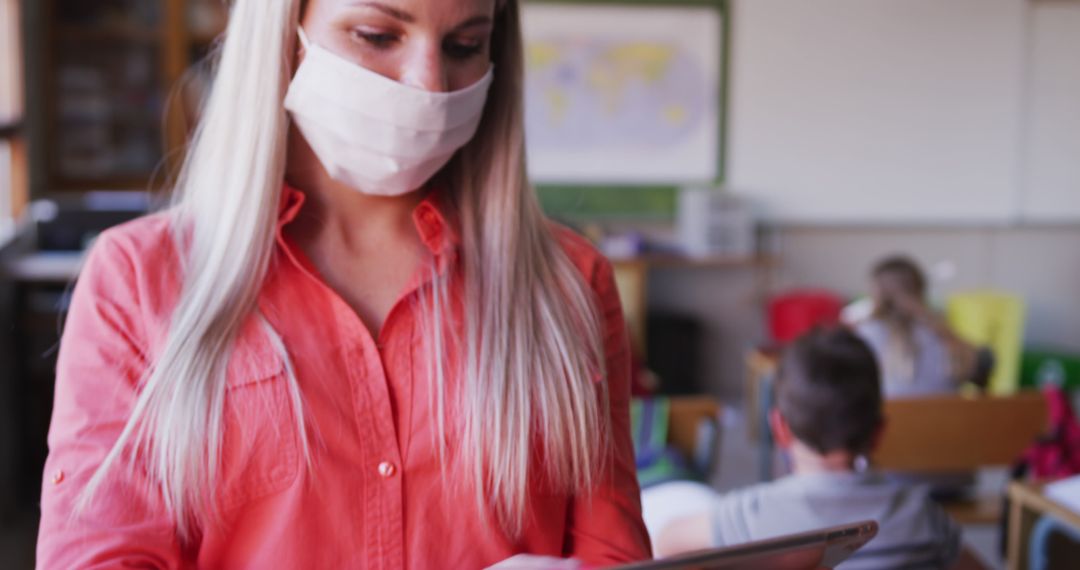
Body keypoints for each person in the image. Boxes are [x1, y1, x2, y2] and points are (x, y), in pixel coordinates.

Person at [36, 0, 651, 567]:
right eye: (377, 36)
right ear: (284, 33)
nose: (427, 86)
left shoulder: (570, 283)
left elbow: (610, 550)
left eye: (464, 46)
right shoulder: (137, 281)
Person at [654, 327, 984, 569]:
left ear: (780, 428)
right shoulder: (923, 518)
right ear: (879, 431)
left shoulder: (748, 516)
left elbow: (664, 544)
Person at [844, 255, 990, 398]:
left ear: (876, 292)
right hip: (946, 418)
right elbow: (981, 370)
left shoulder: (868, 333)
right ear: (921, 288)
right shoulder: (943, 334)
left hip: (892, 419)